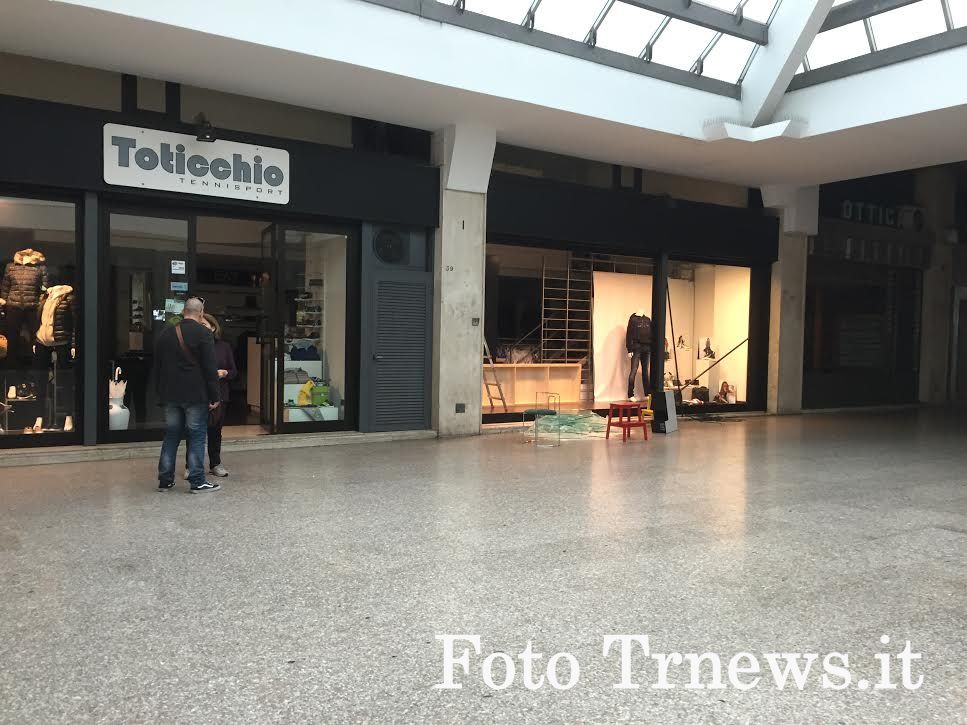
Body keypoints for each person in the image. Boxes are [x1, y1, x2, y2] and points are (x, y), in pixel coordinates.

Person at [155, 297, 221, 493]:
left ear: (184, 311)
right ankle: (197, 481)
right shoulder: (204, 333)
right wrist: (215, 395)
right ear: (201, 313)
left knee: (171, 435)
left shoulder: (166, 333)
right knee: (197, 436)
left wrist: (160, 392)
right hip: (195, 393)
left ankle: (165, 480)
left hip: (170, 393)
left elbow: (158, 365)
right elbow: (210, 367)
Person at [184, 314, 236, 478]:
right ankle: (190, 466)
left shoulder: (224, 347)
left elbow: (233, 371)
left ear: (213, 328)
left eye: (204, 325)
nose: (200, 328)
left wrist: (224, 373)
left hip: (220, 394)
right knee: (193, 432)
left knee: (215, 432)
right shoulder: (192, 346)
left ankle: (215, 464)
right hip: (197, 394)